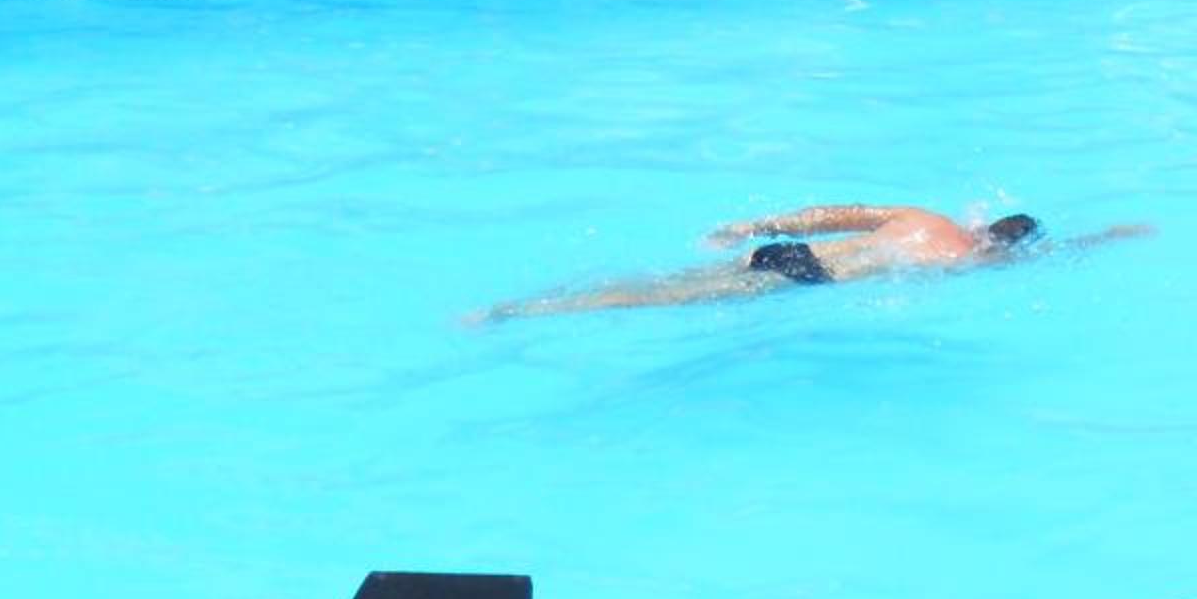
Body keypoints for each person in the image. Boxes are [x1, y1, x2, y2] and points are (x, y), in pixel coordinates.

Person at [476, 204, 1149, 321]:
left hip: (793, 252)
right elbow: (1061, 254)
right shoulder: (977, 262)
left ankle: (524, 303)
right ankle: (516, 312)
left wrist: (752, 225)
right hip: (810, 276)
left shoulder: (925, 218)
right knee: (660, 298)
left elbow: (835, 212)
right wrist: (1112, 235)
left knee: (663, 285)